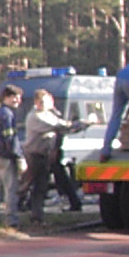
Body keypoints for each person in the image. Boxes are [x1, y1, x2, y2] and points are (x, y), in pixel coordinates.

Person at [20, 88, 81, 224]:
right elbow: (57, 126)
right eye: (41, 102)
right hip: (35, 155)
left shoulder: (48, 114)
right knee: (32, 185)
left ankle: (35, 214)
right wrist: (74, 125)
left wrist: (78, 126)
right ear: (36, 102)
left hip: (45, 154)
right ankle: (26, 211)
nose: (44, 104)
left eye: (46, 102)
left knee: (40, 185)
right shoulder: (35, 116)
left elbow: (60, 125)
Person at [0, 84, 24, 229]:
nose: (18, 101)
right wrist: (18, 156)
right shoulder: (8, 115)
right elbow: (10, 138)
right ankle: (11, 220)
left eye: (19, 98)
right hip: (6, 157)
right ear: (6, 98)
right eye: (15, 98)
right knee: (10, 190)